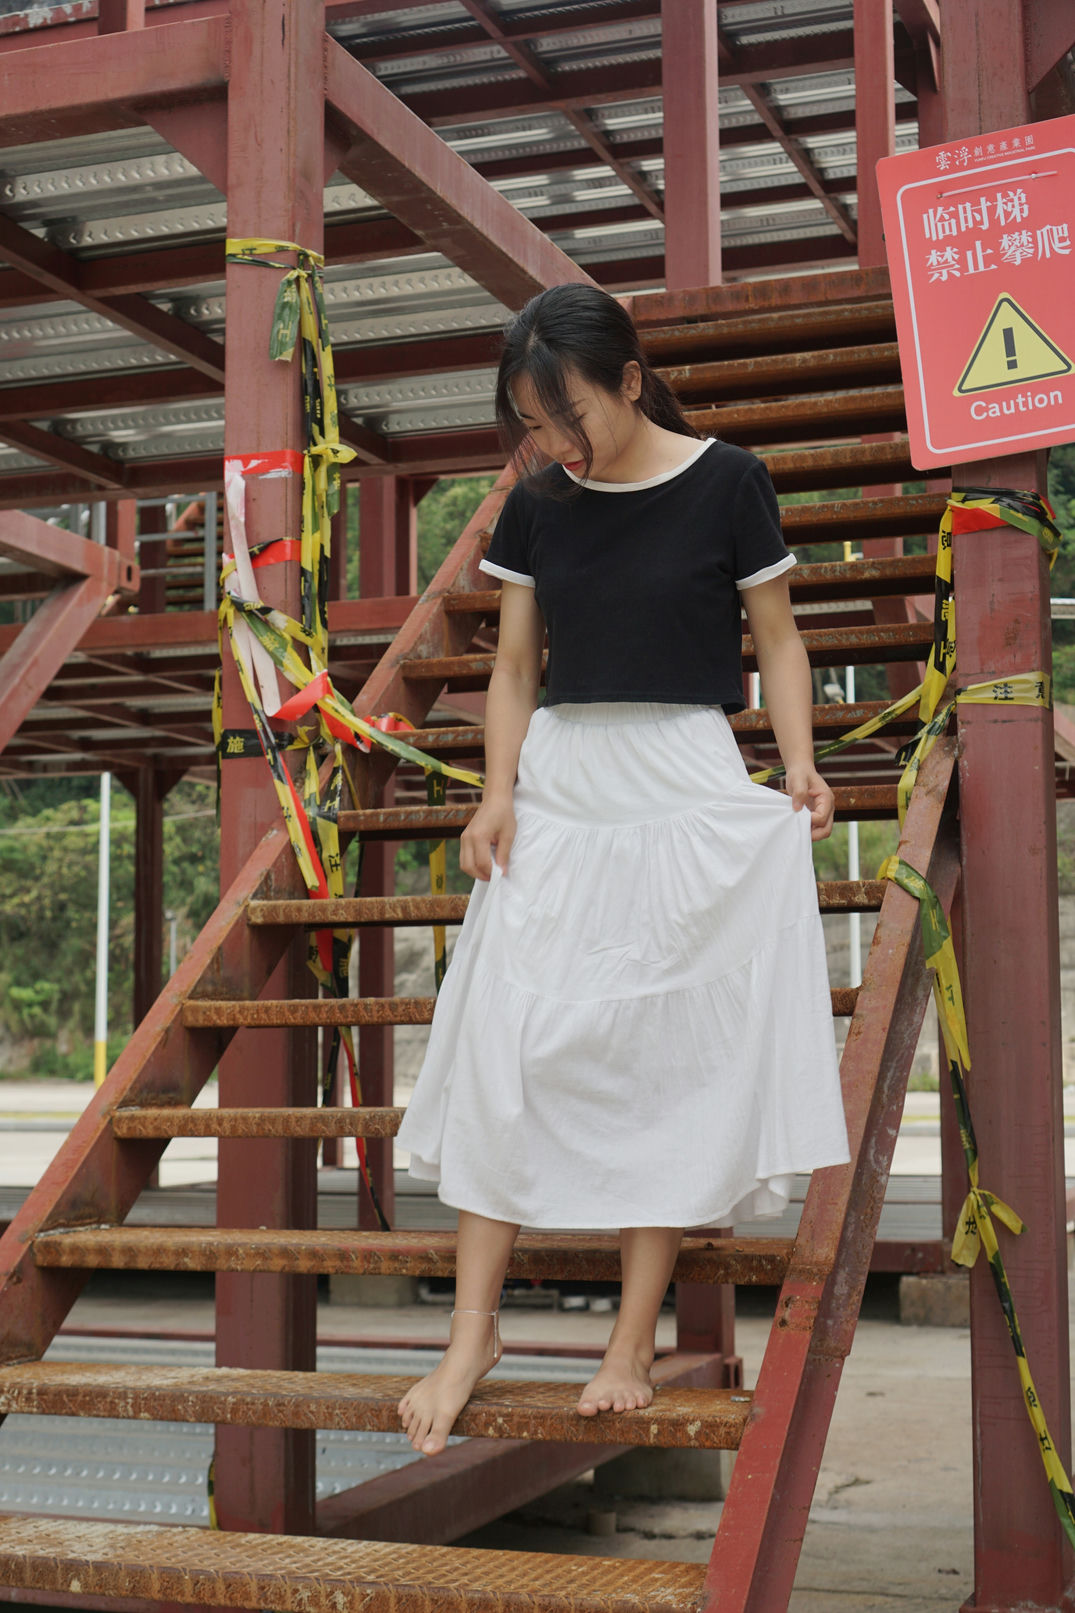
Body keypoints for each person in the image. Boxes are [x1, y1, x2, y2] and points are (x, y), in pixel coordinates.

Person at [396, 282, 850, 1457]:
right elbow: (512, 668)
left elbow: (778, 638)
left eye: (568, 416)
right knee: (502, 1041)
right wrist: (496, 791)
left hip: (684, 775)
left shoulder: (728, 482)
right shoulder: (537, 504)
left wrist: (799, 761)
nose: (551, 442)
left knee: (663, 1058)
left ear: (630, 381)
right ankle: (470, 1335)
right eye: (530, 424)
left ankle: (629, 1342)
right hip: (561, 782)